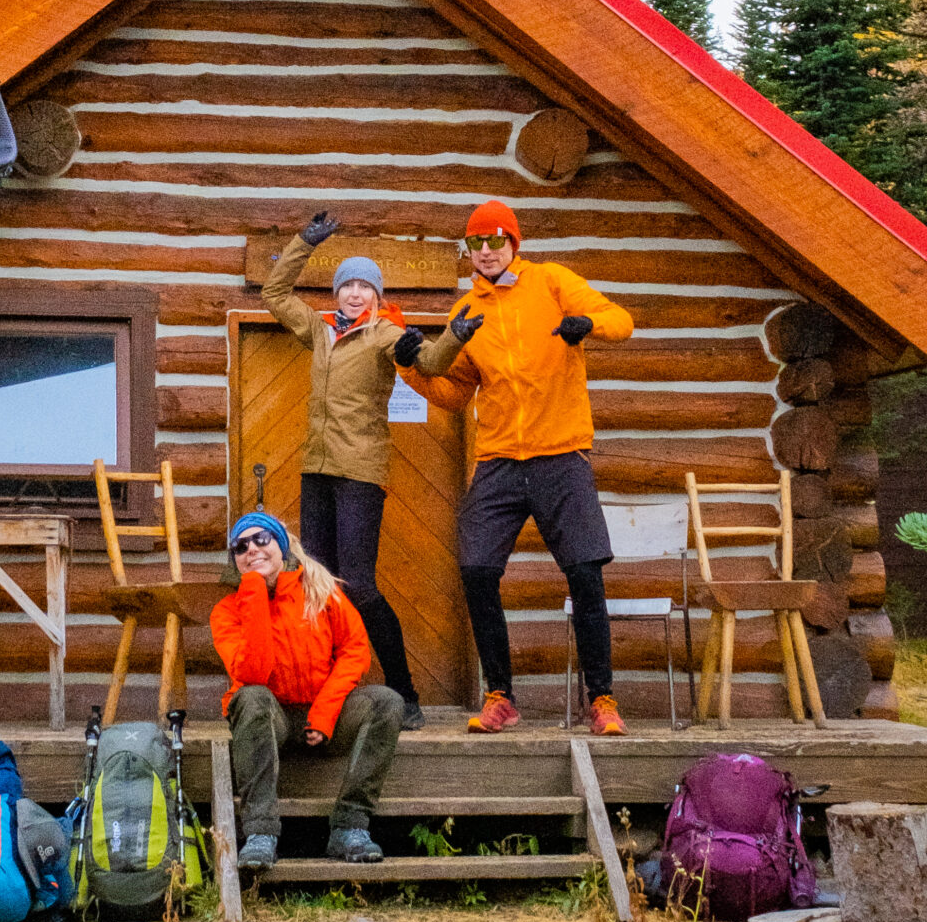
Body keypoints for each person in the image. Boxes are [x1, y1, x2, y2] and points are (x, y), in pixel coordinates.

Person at [404, 200, 635, 737]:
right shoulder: (464, 314)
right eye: (476, 243)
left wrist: (587, 325)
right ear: (468, 252)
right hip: (501, 460)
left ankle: (601, 699)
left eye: (495, 240)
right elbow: (456, 395)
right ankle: (501, 696)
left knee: (584, 573)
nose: (485, 251)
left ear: (514, 242)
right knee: (477, 570)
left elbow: (622, 322)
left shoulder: (551, 282)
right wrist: (411, 371)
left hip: (562, 454)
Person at [260, 211, 426, 730]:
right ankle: (327, 693)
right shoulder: (319, 329)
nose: (355, 293)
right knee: (317, 583)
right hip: (316, 469)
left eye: (365, 286)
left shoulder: (383, 335)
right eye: (348, 284)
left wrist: (443, 340)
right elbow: (274, 293)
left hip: (361, 472)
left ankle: (406, 692)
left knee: (359, 584)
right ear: (337, 293)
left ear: (377, 296)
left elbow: (433, 362)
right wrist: (304, 242)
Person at [209, 510, 404, 869]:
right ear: (235, 560)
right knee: (249, 697)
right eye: (240, 546)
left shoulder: (320, 591)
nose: (251, 549)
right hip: (272, 720)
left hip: (324, 715)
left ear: (281, 547)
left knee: (387, 702)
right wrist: (252, 591)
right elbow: (253, 672)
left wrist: (325, 712)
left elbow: (355, 649)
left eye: (261, 539)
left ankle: (349, 826)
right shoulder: (227, 611)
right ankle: (260, 833)